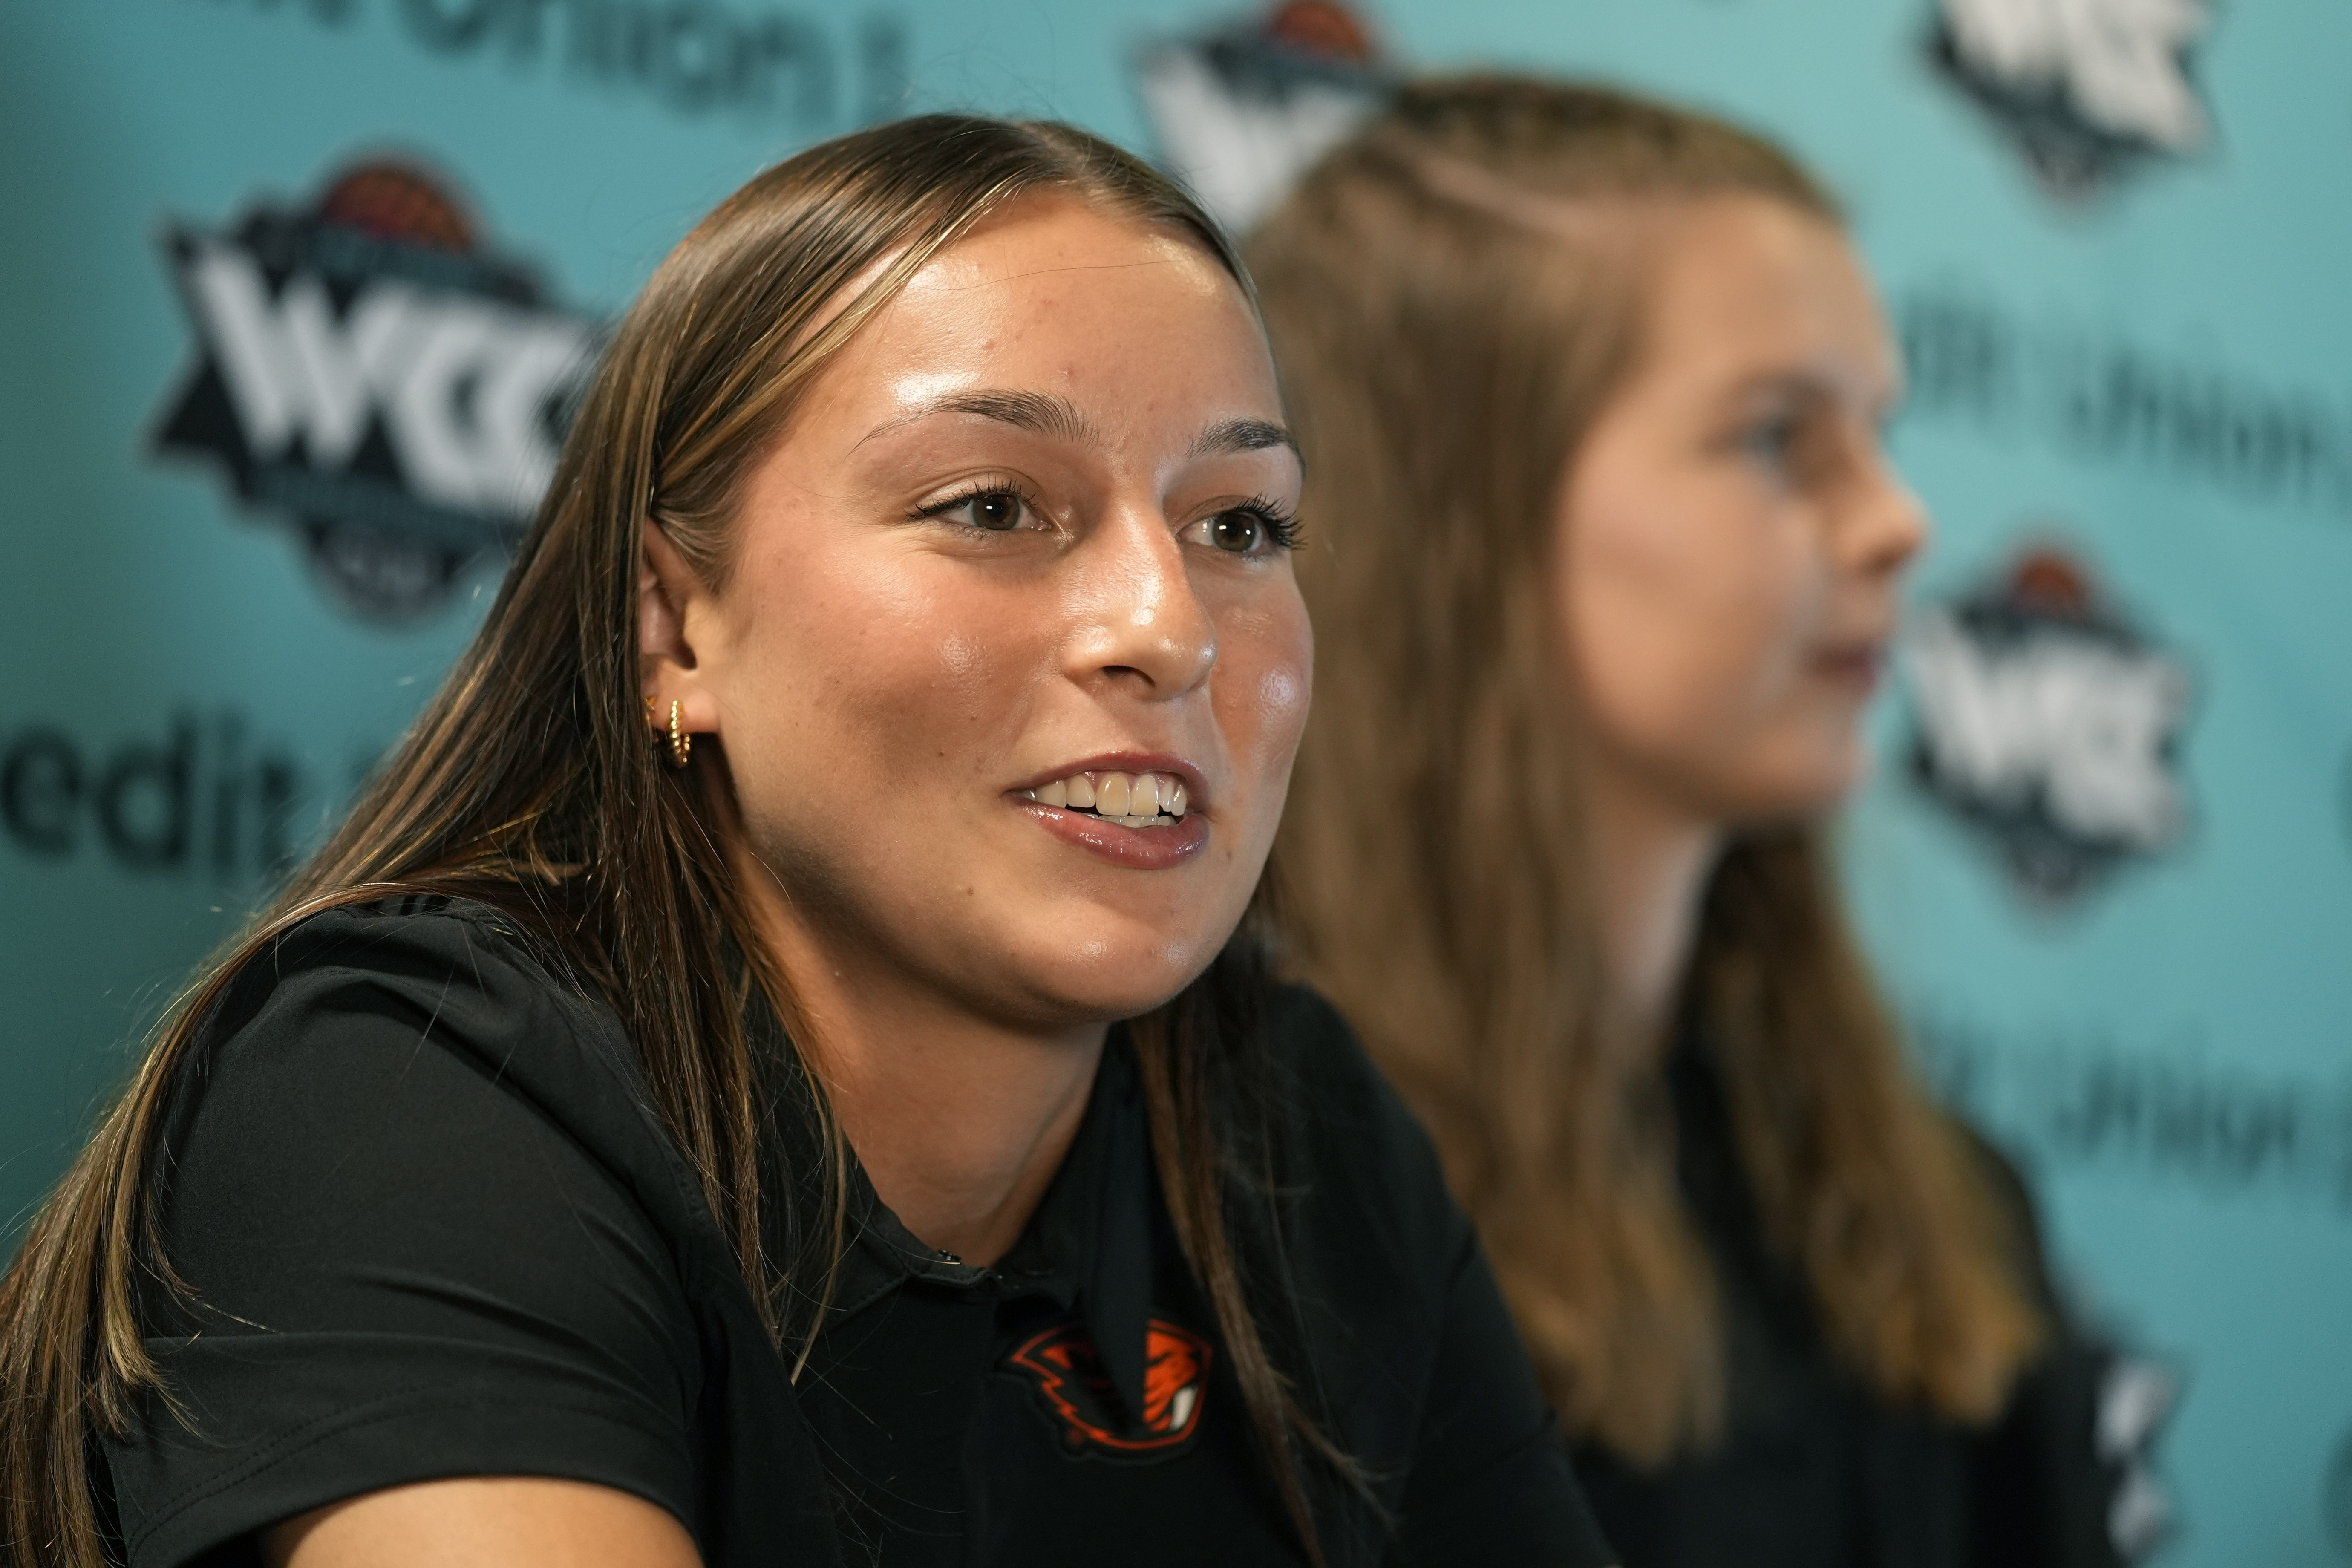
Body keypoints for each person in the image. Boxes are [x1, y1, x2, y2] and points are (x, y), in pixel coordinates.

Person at [0, 117, 1617, 1568]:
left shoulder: (1297, 1129)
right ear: (674, 623)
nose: (1167, 625)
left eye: (1241, 526)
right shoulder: (410, 1086)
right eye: (993, 504)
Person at [1249, 78, 2126, 1568]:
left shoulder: (1943, 1215)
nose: (1901, 523)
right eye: (1781, 439)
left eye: (1880, 432)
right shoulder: (1193, 1189)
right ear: (1460, 508)